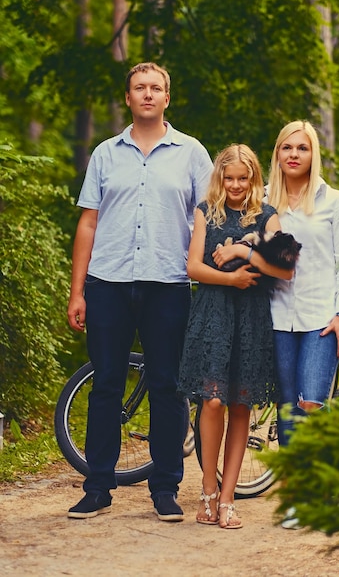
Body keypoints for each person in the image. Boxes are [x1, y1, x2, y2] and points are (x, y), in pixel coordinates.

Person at [66, 62, 213, 521]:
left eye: (156, 88)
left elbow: (209, 219)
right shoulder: (106, 154)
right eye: (139, 88)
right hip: (107, 282)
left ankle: (165, 489)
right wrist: (78, 291)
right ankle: (97, 487)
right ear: (128, 98)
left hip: (168, 283)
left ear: (168, 98)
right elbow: (88, 222)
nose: (147, 95)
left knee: (167, 385)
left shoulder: (191, 154)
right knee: (107, 383)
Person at [178, 144, 294, 529]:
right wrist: (232, 277)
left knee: (241, 405)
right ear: (220, 178)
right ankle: (207, 490)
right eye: (229, 178)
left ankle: (228, 498)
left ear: (254, 178)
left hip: (251, 318)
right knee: (212, 402)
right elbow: (193, 267)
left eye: (243, 178)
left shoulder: (268, 217)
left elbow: (284, 268)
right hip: (213, 315)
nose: (236, 185)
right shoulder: (204, 213)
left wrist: (244, 248)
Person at [266, 120, 339, 528]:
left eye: (301, 148)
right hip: (276, 318)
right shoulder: (265, 202)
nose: (293, 155)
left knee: (311, 404)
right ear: (277, 154)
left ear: (313, 153)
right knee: (287, 411)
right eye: (286, 147)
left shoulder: (335, 202)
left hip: (322, 318)